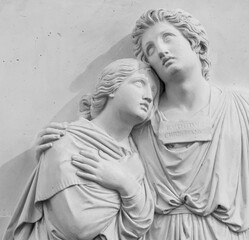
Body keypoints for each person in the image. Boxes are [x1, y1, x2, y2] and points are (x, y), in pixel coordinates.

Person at [33, 8, 249, 240]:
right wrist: (58, 139)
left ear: (196, 45)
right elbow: (91, 146)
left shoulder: (243, 110)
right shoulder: (140, 120)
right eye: (150, 49)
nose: (161, 50)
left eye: (168, 38)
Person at [4, 58, 160, 240]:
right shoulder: (65, 143)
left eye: (154, 91)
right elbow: (79, 226)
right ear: (111, 87)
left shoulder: (136, 160)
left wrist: (124, 182)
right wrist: (127, 188)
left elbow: (139, 225)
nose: (149, 96)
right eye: (140, 83)